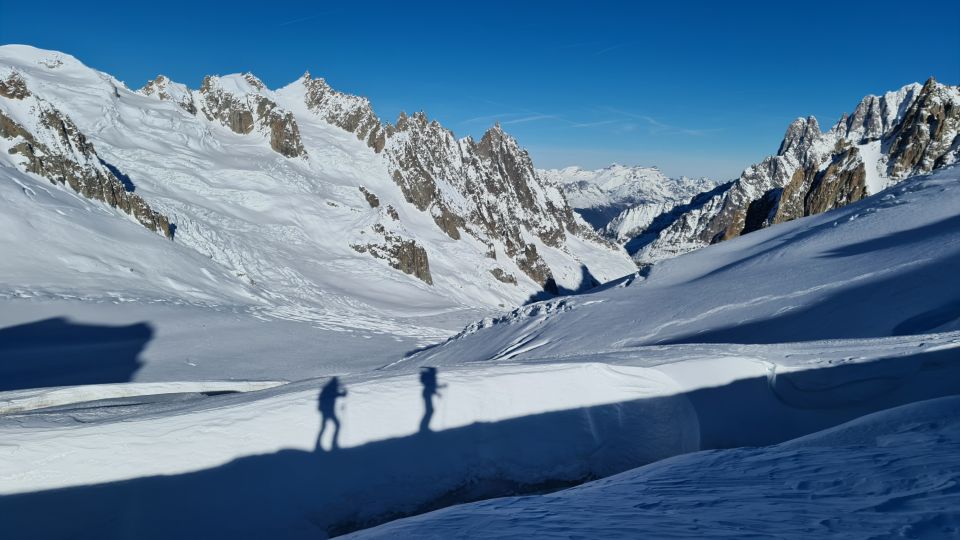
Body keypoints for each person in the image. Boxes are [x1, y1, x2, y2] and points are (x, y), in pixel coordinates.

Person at [316, 377, 347, 450]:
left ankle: (319, 444)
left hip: (326, 412)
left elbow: (337, 394)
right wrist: (343, 391)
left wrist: (342, 393)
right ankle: (333, 444)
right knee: (336, 425)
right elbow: (335, 395)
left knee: (325, 427)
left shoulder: (328, 388)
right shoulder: (329, 389)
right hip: (328, 412)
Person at [419, 367, 445, 432]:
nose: (436, 372)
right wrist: (437, 393)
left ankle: (424, 427)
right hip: (427, 394)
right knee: (430, 410)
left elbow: (433, 387)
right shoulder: (431, 377)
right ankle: (424, 428)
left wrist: (441, 388)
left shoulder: (431, 377)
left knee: (430, 410)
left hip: (426, 394)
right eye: (435, 371)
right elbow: (432, 387)